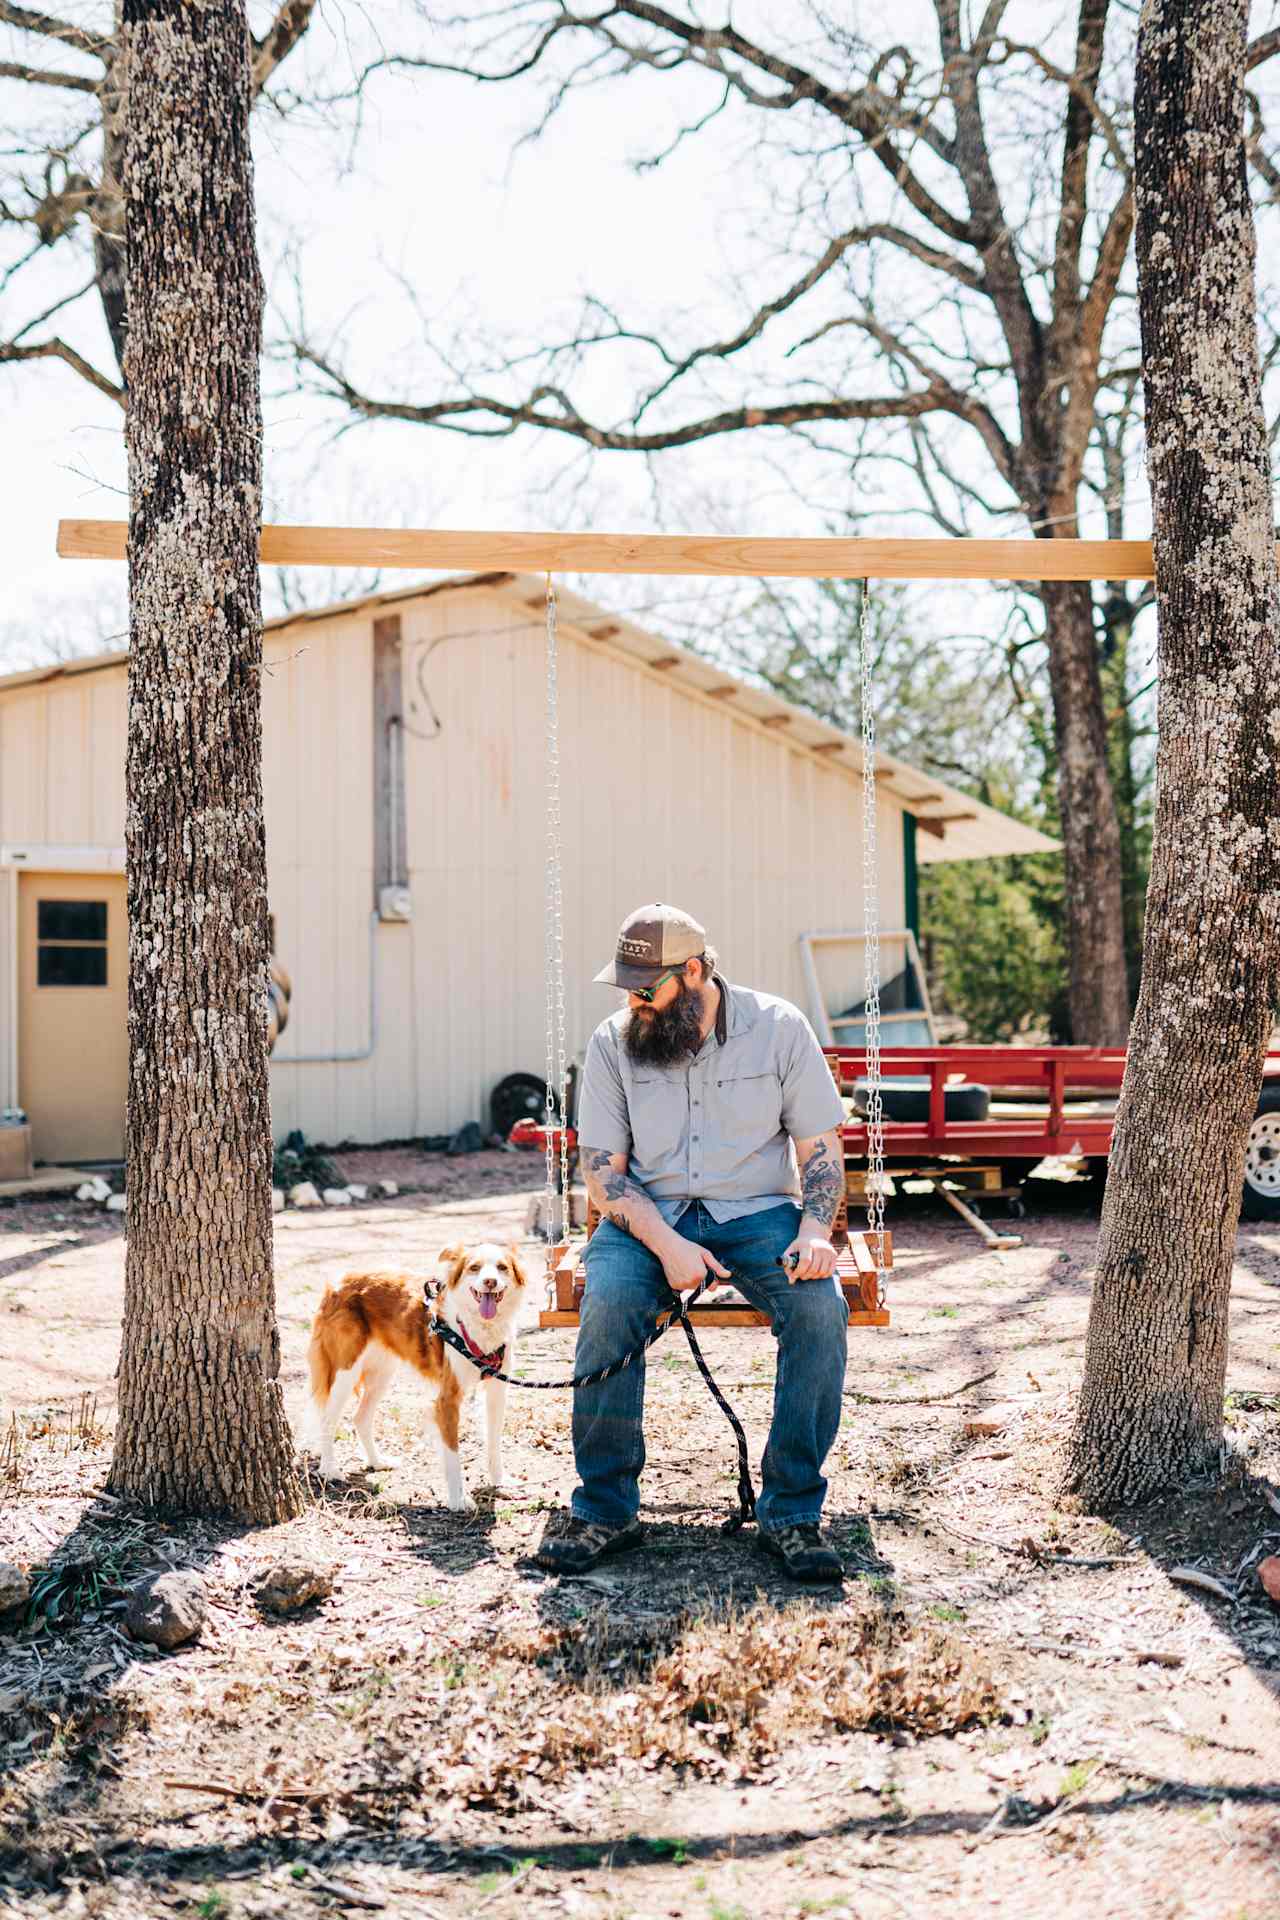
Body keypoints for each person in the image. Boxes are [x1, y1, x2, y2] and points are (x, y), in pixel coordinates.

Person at [534, 903, 850, 1583]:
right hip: (648, 1214)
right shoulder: (612, 1041)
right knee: (610, 1301)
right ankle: (606, 1510)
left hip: (758, 1213)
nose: (631, 1001)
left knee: (821, 1311)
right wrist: (669, 1246)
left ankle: (791, 1512)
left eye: (644, 987)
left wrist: (816, 1231)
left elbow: (821, 1151)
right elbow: (600, 1174)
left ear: (696, 972)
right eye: (625, 986)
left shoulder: (779, 1029)